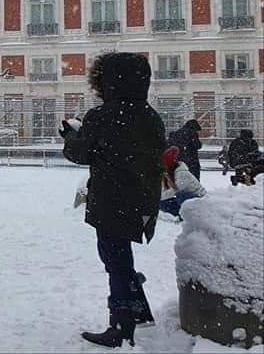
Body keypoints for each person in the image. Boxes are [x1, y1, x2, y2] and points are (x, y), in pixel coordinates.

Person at [61, 52, 166, 348]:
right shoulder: (150, 116)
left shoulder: (103, 115)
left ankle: (121, 323)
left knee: (115, 260)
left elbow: (79, 153)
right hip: (143, 199)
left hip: (112, 200)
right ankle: (138, 307)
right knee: (119, 257)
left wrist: (70, 136)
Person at [159, 146, 206, 219]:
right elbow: (164, 190)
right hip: (186, 199)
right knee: (162, 203)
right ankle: (181, 214)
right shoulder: (168, 174)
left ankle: (190, 216)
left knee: (180, 195)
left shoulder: (181, 173)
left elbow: (176, 190)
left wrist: (159, 197)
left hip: (199, 199)